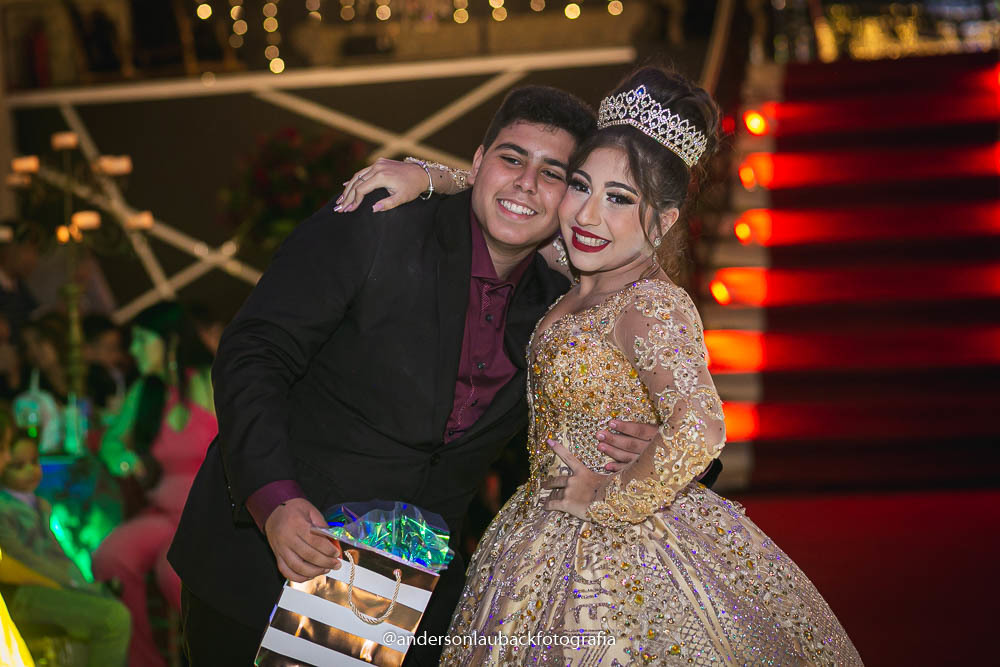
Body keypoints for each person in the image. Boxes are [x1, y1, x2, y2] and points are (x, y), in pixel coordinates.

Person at [348, 66, 861, 665]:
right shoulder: (578, 267)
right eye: (580, 186)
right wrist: (427, 175)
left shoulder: (649, 304)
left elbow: (701, 425)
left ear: (664, 221)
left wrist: (607, 497)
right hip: (537, 527)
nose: (588, 215)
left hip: (621, 550)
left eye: (620, 198)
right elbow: (511, 199)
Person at [167, 85, 694, 666]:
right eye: (512, 158)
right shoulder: (378, 226)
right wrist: (274, 501)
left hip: (405, 596)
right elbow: (254, 354)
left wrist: (653, 444)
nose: (526, 184)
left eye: (554, 174)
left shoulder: (563, 308)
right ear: (478, 162)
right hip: (274, 560)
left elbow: (658, 401)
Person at [93, 302, 215, 667]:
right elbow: (110, 444)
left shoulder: (208, 380)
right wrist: (127, 461)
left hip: (207, 514)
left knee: (173, 572)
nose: (133, 351)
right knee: (110, 558)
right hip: (163, 512)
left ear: (169, 341)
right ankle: (144, 661)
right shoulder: (146, 391)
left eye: (141, 340)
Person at [0, 428, 131, 667]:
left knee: (110, 611)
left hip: (52, 581)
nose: (30, 470)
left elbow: (57, 551)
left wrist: (75, 579)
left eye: (34, 462)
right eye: (17, 465)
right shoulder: (5, 508)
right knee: (114, 618)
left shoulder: (41, 503)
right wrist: (65, 581)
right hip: (24, 589)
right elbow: (19, 557)